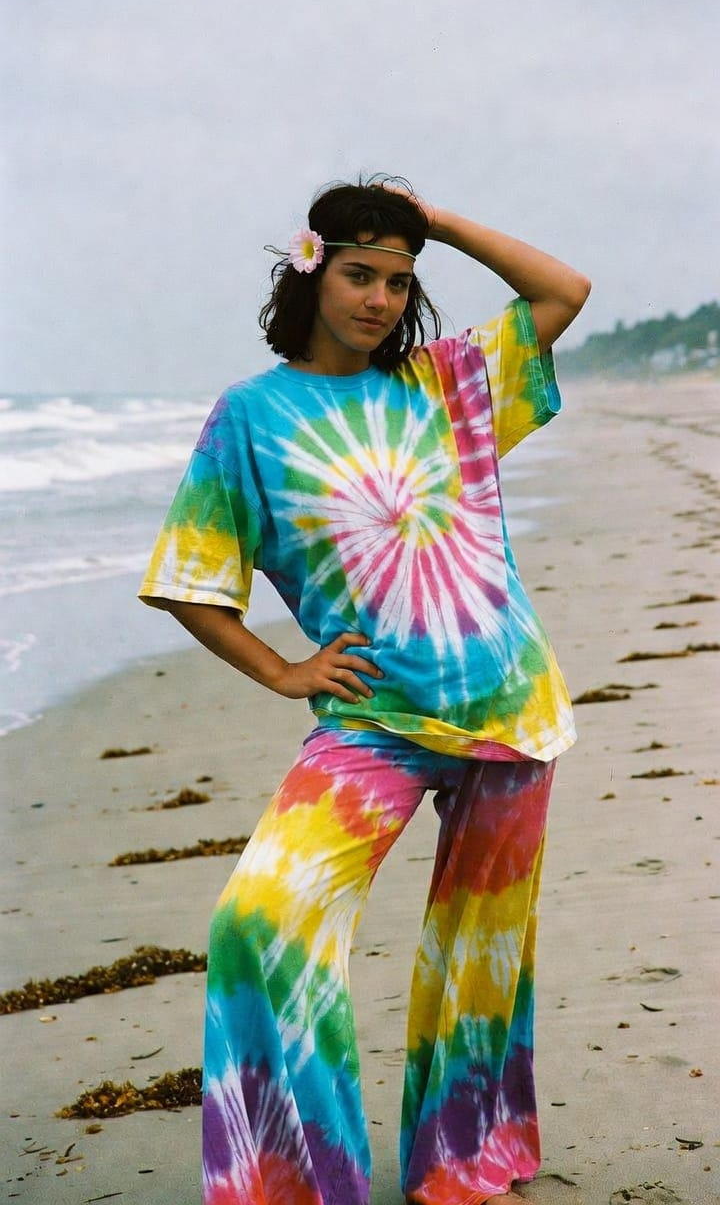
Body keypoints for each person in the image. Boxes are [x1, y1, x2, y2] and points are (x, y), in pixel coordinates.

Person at [139, 177, 591, 1205]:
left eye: (398, 279)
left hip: (508, 704)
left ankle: (464, 1163)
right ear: (312, 273)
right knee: (261, 918)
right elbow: (190, 577)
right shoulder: (252, 416)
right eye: (358, 273)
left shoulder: (446, 382)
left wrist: (442, 223)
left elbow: (562, 291)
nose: (380, 298)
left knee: (480, 957)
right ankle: (296, 1180)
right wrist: (282, 669)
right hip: (372, 721)